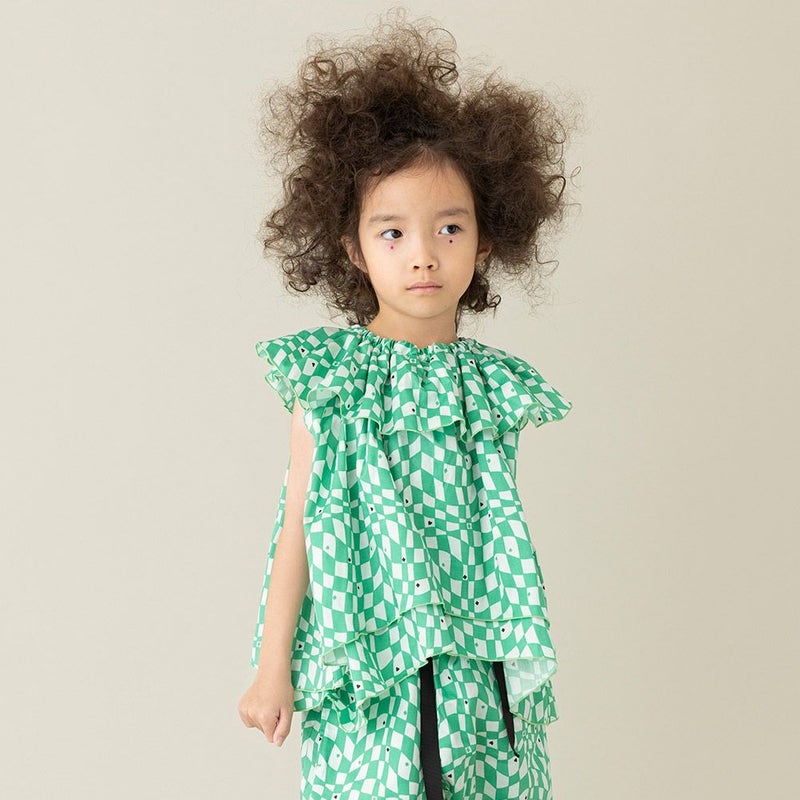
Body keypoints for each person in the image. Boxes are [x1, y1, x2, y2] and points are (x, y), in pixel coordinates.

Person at [238, 8, 578, 799]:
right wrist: (271, 666)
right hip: (373, 665)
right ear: (353, 249)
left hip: (479, 667)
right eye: (392, 233)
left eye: (448, 228)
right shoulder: (332, 380)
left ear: (486, 239)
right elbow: (298, 524)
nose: (423, 254)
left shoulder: (492, 387)